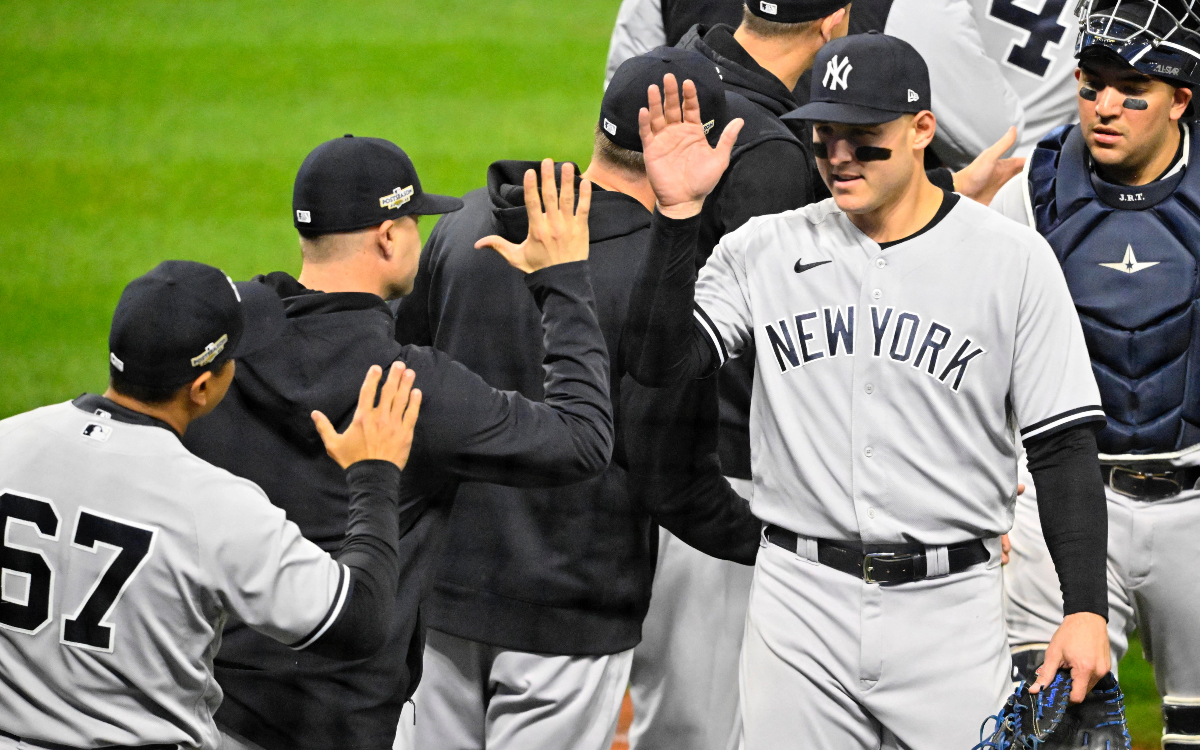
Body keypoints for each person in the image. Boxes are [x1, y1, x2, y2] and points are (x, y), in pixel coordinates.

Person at [623, 32, 1111, 749]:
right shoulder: (764, 249)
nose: (839, 158)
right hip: (800, 602)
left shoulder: (1010, 260)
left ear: (921, 131)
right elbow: (659, 361)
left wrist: (1085, 610)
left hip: (951, 608)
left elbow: (1063, 442)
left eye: (864, 139)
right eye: (824, 138)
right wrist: (676, 220)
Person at [181, 136, 614, 750]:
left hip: (219, 706)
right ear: (388, 236)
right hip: (342, 720)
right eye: (416, 221)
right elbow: (583, 438)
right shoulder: (411, 389)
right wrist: (562, 280)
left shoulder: (226, 341)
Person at [391, 49, 761, 750]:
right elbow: (672, 480)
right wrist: (780, 544)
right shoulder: (661, 282)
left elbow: (409, 386)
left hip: (445, 592)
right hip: (573, 608)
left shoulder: (466, 223)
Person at [0, 260, 420, 750]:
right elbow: (359, 619)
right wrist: (375, 473)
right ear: (201, 389)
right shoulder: (212, 505)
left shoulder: (10, 441)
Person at [990, 0, 1200, 745]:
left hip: (1195, 503)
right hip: (1066, 503)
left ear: (1182, 97)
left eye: (1133, 88)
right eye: (1092, 83)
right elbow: (979, 339)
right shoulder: (1035, 190)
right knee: (1056, 725)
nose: (1105, 106)